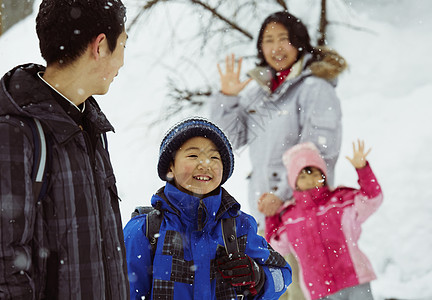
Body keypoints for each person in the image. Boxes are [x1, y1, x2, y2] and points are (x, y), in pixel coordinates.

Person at [0, 0, 129, 299]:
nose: (122, 61)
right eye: (122, 44)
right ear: (99, 47)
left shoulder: (89, 124)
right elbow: (5, 265)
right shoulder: (14, 130)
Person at [123, 117, 292, 299]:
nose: (205, 164)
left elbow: (282, 274)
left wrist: (258, 277)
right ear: (170, 167)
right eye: (193, 155)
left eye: (214, 157)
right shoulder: (144, 230)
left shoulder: (239, 226)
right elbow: (124, 292)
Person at [210, 11, 347, 229]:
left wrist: (281, 195)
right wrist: (227, 99)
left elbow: (319, 151)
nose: (276, 48)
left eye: (284, 39)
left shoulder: (315, 88)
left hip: (305, 215)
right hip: (266, 217)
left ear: (299, 42)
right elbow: (232, 140)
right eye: (269, 40)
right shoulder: (260, 94)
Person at [265, 140, 383, 300]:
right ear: (294, 181)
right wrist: (271, 216)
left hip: (355, 280)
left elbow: (372, 199)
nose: (311, 179)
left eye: (315, 173)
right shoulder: (290, 218)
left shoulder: (341, 202)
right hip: (320, 290)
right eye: (303, 175)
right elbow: (276, 247)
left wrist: (363, 170)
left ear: (324, 175)